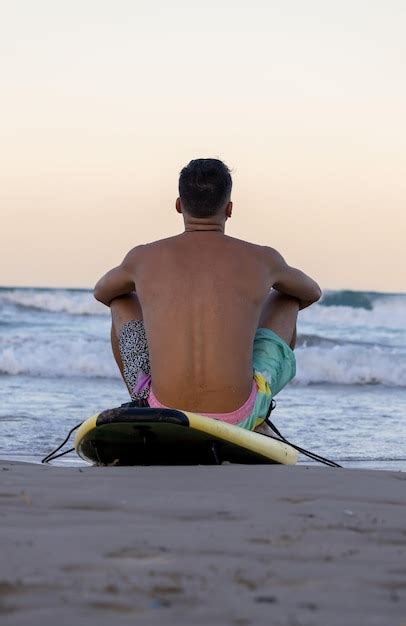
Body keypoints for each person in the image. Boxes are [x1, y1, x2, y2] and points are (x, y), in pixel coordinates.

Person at [94, 158, 321, 434]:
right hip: (239, 417)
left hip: (163, 411)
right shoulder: (263, 258)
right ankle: (259, 415)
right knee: (286, 298)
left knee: (121, 299)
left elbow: (102, 292)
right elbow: (311, 292)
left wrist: (161, 300)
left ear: (179, 205)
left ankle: (142, 395)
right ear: (229, 209)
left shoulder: (142, 257)